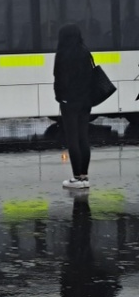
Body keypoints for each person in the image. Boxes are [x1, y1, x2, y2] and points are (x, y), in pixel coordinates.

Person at [53, 23, 94, 188]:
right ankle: (84, 177)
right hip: (85, 101)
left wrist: (60, 97)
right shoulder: (85, 52)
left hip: (69, 102)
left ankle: (76, 177)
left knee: (72, 139)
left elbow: (59, 79)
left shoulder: (62, 54)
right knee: (84, 138)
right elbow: (90, 77)